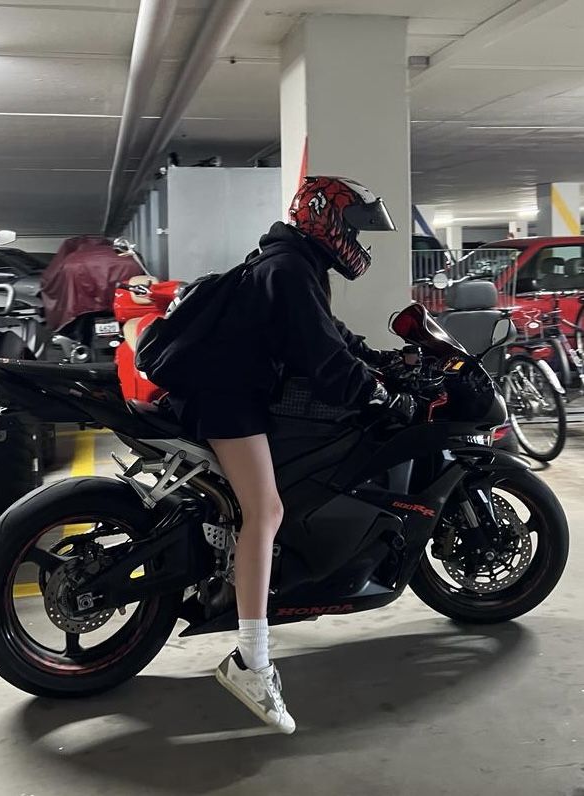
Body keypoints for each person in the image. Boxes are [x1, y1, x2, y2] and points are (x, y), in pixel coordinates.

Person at [162, 176, 414, 734]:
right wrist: (373, 390)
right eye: (352, 226)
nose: (357, 239)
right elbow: (322, 357)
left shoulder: (292, 263)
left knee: (268, 500)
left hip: (231, 393)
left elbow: (330, 335)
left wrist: (377, 359)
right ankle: (251, 663)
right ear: (325, 218)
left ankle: (233, 572)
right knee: (266, 511)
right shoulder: (290, 269)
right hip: (226, 400)